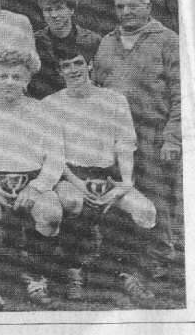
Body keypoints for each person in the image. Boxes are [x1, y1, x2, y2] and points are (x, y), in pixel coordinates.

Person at [44, 47, 157, 305]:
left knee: (145, 211)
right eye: (66, 66)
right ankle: (74, 271)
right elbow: (55, 154)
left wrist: (125, 183)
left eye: (77, 62)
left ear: (90, 64)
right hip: (71, 175)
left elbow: (125, 145)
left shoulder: (115, 99)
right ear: (59, 71)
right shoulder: (51, 104)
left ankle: (126, 272)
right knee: (72, 202)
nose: (73, 70)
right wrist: (78, 184)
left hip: (109, 175)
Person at [93, 0, 181, 280]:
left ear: (148, 7)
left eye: (133, 6)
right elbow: (97, 88)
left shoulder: (168, 40)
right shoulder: (107, 42)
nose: (126, 12)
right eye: (120, 7)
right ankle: (120, 257)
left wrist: (172, 137)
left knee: (157, 193)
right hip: (114, 134)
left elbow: (183, 95)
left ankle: (160, 257)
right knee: (119, 192)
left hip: (152, 132)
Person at [0, 50, 64, 306]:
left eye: (17, 77)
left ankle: (37, 278)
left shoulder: (43, 111)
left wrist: (36, 189)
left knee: (51, 214)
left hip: (33, 180)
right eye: (3, 76)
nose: (9, 82)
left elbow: (55, 158)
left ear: (27, 82)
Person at [28, 0, 101, 99]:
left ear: (71, 10)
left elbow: (99, 78)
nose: (54, 15)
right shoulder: (34, 41)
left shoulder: (93, 41)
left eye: (59, 9)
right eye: (48, 10)